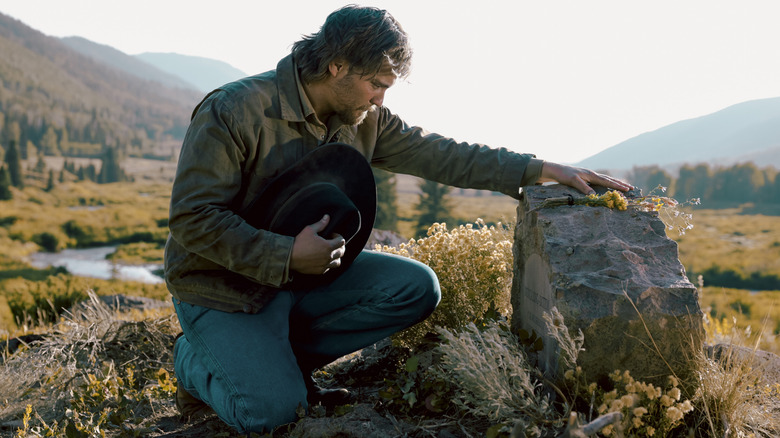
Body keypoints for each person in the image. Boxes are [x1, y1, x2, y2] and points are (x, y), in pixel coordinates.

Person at [165, 4, 631, 434]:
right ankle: (193, 361)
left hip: (302, 278)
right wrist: (287, 253)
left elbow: (444, 154)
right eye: (377, 83)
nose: (381, 97)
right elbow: (193, 218)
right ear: (337, 66)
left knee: (415, 288)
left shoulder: (365, 115)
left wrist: (542, 169)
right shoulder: (233, 109)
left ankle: (270, 360)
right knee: (270, 416)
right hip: (221, 286)